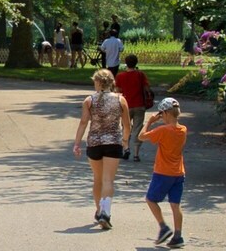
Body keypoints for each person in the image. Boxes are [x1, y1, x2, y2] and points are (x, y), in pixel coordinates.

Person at [71, 68, 130, 230]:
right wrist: (125, 141)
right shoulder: (120, 100)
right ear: (112, 82)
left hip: (94, 143)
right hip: (113, 142)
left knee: (97, 178)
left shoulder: (89, 100)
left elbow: (83, 122)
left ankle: (99, 210)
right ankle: (106, 211)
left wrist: (77, 143)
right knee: (108, 180)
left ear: (97, 82)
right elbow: (126, 124)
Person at [140, 97, 189, 248]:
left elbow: (141, 136)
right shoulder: (183, 129)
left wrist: (149, 122)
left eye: (161, 113)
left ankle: (163, 227)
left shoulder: (163, 130)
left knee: (150, 199)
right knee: (175, 204)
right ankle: (178, 236)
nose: (160, 116)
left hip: (163, 172)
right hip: (178, 173)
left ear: (167, 113)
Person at [116, 54, 154, 161]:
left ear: (126, 63)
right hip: (139, 105)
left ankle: (126, 149)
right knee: (138, 128)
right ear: (136, 63)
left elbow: (117, 91)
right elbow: (147, 88)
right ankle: (136, 154)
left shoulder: (120, 76)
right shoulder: (140, 75)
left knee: (125, 127)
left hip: (125, 106)